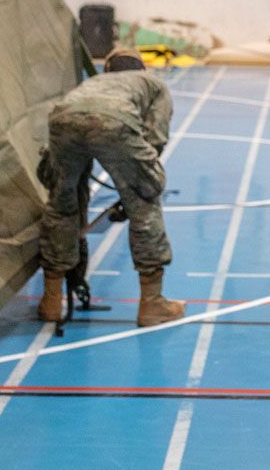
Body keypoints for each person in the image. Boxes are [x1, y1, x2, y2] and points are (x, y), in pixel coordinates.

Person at [39, 46, 183, 327]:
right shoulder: (152, 84)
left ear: (108, 70)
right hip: (114, 121)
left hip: (63, 117)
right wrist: (135, 188)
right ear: (141, 68)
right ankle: (152, 304)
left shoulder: (92, 82)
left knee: (61, 202)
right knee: (145, 201)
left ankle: (51, 301)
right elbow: (155, 140)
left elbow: (57, 163)